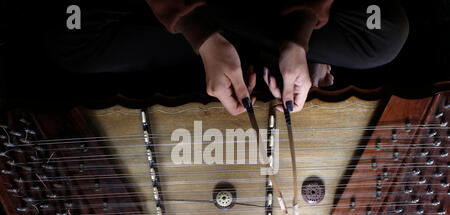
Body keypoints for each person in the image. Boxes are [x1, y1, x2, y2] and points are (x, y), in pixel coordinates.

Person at [42, 0, 409, 115]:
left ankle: (260, 48)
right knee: (67, 30)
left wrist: (300, 31)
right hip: (181, 5)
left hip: (279, 3)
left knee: (386, 30)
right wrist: (196, 30)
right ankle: (241, 48)